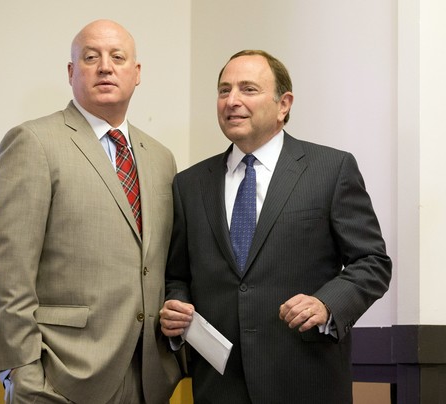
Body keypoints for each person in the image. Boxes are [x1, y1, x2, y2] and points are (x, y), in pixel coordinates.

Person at [159, 50, 392, 403]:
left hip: (305, 381)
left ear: (284, 104)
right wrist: (176, 308)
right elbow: (177, 276)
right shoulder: (189, 184)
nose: (232, 101)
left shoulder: (330, 169)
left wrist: (326, 304)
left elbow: (373, 262)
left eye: (248, 89)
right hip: (219, 388)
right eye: (224, 91)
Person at [0, 19, 181, 404]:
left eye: (117, 57)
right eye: (91, 57)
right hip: (60, 378)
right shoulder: (33, 142)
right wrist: (21, 372)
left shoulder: (161, 159)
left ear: (136, 74)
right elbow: (8, 272)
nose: (105, 66)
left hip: (148, 380)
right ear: (72, 72)